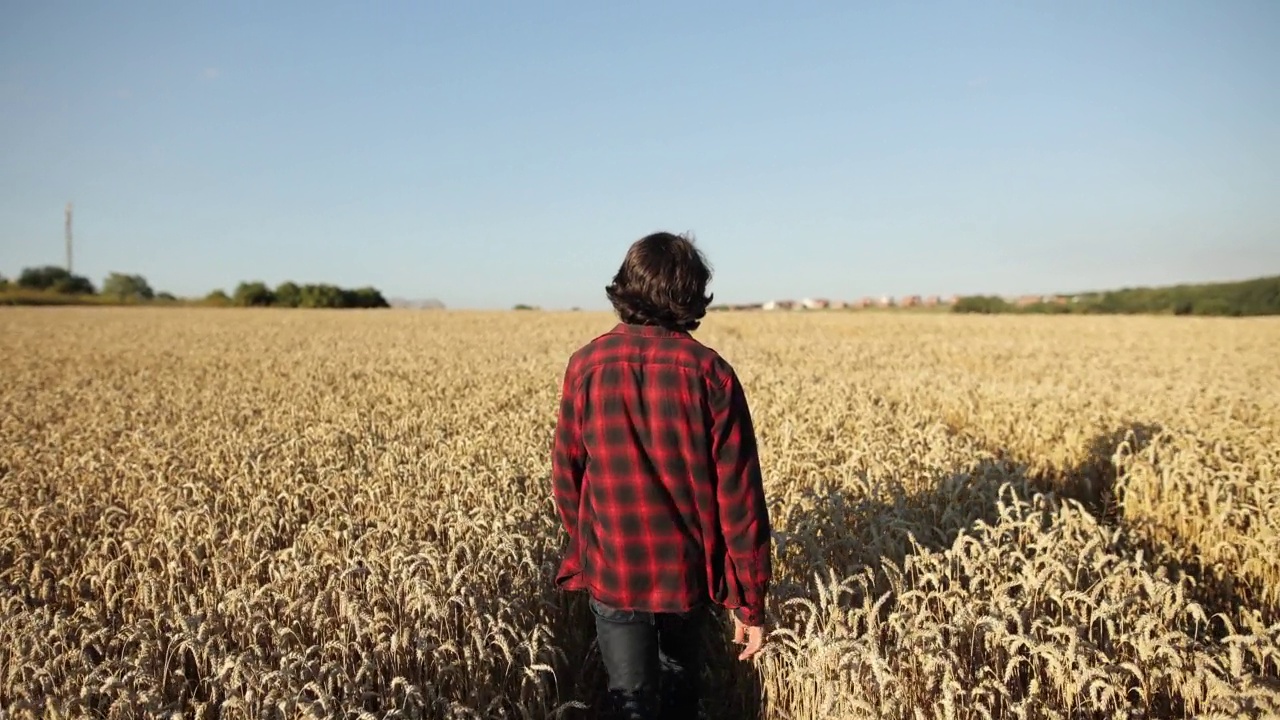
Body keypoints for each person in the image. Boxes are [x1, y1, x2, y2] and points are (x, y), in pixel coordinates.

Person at [550, 231, 773, 720]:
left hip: (614, 568)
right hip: (686, 576)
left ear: (626, 287)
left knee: (632, 703)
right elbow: (740, 497)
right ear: (691, 295)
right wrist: (749, 601)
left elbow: (566, 473)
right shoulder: (711, 373)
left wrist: (591, 543)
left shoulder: (586, 365)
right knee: (679, 702)